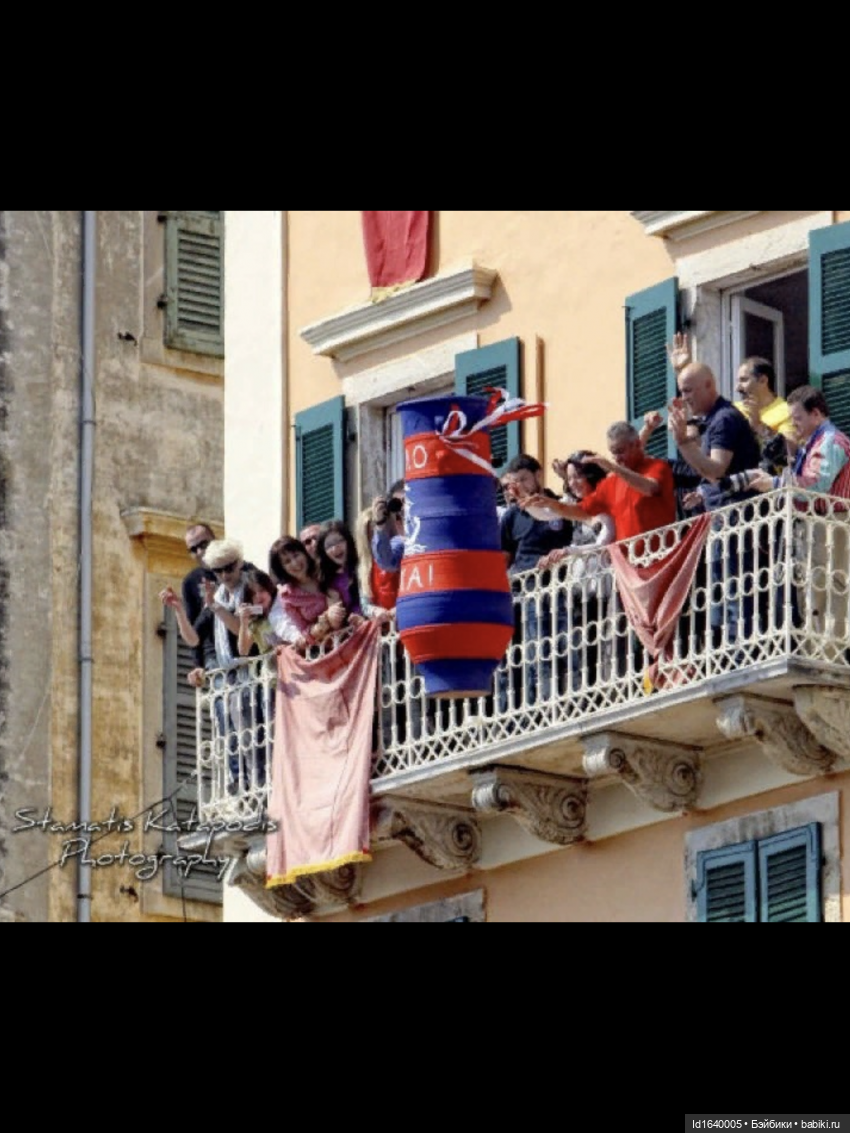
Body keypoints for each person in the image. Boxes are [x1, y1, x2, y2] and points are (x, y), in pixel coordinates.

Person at [747, 385, 850, 656]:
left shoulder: (831, 441)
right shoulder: (815, 442)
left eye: (798, 418)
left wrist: (775, 484)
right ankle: (818, 650)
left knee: (829, 589)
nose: (794, 425)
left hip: (830, 524)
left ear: (816, 414)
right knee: (814, 589)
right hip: (818, 524)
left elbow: (818, 484)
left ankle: (828, 655)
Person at [499, 454, 574, 708]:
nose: (519, 486)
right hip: (526, 589)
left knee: (566, 643)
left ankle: (568, 699)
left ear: (538, 475)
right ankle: (542, 704)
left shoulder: (558, 506)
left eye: (524, 479)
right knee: (535, 649)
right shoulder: (511, 516)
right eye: (515, 482)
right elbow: (504, 559)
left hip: (560, 585)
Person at [539, 452, 615, 693]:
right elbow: (551, 512)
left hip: (604, 584)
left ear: (590, 475)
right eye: (569, 478)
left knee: (605, 639)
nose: (572, 483)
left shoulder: (606, 503)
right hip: (580, 586)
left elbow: (603, 542)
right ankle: (586, 692)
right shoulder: (577, 507)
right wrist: (528, 500)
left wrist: (568, 551)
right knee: (582, 642)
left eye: (577, 477)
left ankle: (604, 689)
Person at [201, 538, 265, 792]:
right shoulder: (219, 594)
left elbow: (241, 629)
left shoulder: (251, 587)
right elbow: (197, 636)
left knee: (252, 728)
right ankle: (239, 780)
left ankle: (257, 780)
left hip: (251, 667)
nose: (225, 575)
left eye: (229, 568)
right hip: (229, 671)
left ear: (239, 563)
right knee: (230, 730)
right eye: (218, 571)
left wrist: (216, 608)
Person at [159, 523, 217, 689]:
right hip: (213, 657)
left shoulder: (240, 568)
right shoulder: (191, 582)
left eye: (203, 544)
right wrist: (198, 664)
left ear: (215, 540)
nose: (199, 552)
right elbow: (193, 630)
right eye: (193, 549)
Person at [268, 535, 347, 651]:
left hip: (350, 633)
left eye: (296, 555)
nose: (295, 563)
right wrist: (322, 623)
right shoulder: (286, 596)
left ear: (304, 553)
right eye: (287, 561)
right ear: (281, 568)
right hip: (324, 650)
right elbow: (303, 632)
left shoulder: (324, 571)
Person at [734, 356, 796, 474]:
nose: (737, 388)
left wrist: (758, 425)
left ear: (763, 380)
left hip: (768, 480)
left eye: (744, 380)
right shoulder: (733, 410)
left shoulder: (786, 411)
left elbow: (789, 452)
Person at [316, 519, 365, 619]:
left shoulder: (363, 563)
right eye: (329, 545)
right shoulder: (330, 582)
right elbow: (338, 621)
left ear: (348, 541)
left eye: (339, 541)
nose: (335, 548)